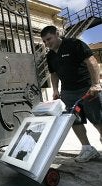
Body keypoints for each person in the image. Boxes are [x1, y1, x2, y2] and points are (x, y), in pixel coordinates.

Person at [41, 25, 102, 162]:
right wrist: (56, 91)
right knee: (74, 121)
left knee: (97, 118)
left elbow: (92, 62)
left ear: (57, 34)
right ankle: (87, 149)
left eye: (49, 39)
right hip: (68, 93)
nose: (47, 43)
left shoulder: (74, 44)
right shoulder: (50, 56)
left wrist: (95, 84)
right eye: (44, 41)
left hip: (86, 88)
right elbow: (53, 74)